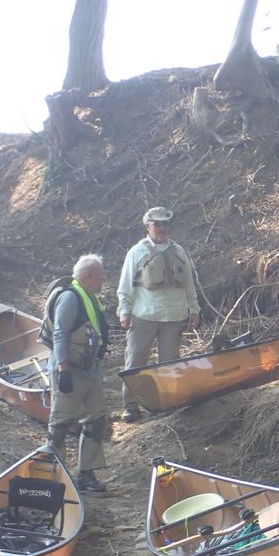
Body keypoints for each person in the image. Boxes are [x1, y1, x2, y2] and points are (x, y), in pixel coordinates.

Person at [116, 206, 201, 422]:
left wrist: (194, 309)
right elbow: (125, 286)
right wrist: (124, 311)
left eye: (165, 224)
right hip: (144, 315)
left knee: (169, 363)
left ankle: (167, 401)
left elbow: (189, 284)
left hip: (174, 316)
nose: (162, 228)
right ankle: (130, 405)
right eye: (157, 224)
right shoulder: (137, 252)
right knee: (135, 361)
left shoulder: (179, 251)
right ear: (147, 226)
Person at [45, 254, 110, 493]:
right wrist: (63, 370)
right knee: (61, 424)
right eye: (100, 275)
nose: (103, 279)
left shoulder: (90, 298)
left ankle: (86, 475)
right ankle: (53, 477)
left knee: (95, 420)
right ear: (89, 275)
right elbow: (60, 333)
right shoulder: (69, 298)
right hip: (69, 371)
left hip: (89, 371)